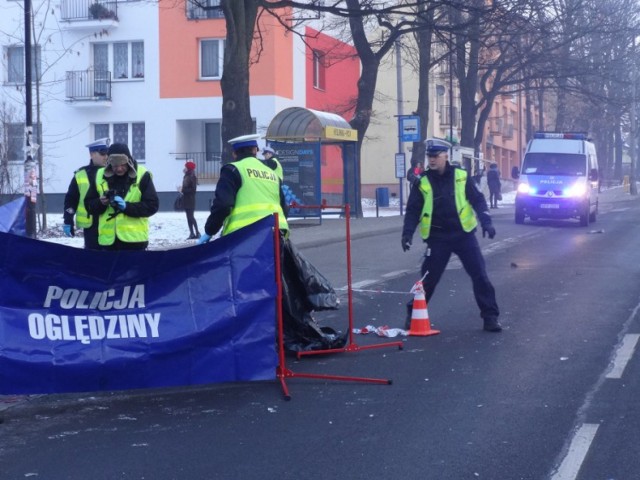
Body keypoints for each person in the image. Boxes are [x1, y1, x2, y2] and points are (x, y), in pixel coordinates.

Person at [401, 138, 502, 332]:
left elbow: (478, 200)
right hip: (438, 238)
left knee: (480, 275)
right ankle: (414, 314)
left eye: (435, 156)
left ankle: (490, 317)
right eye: (429, 156)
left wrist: (486, 222)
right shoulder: (422, 182)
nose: (431, 160)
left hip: (463, 235)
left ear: (445, 157)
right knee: (429, 279)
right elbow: (413, 210)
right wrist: (407, 234)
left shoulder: (461, 176)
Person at [198, 134, 288, 242]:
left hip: (245, 235)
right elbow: (284, 207)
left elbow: (223, 205)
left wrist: (210, 231)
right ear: (255, 151)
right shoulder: (272, 174)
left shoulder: (233, 170)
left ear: (234, 154)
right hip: (276, 233)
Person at [84, 143, 159, 250]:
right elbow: (88, 205)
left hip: (135, 243)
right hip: (108, 243)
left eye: (123, 165)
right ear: (109, 163)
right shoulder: (100, 175)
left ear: (129, 161)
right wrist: (101, 203)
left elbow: (152, 206)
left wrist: (127, 207)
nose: (119, 169)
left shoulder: (142, 175)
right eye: (115, 166)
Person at [62, 138, 110, 249]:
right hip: (91, 225)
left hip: (110, 223)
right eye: (102, 153)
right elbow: (71, 199)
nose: (106, 157)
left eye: (107, 153)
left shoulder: (113, 172)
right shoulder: (81, 174)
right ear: (92, 154)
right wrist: (68, 220)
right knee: (92, 258)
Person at [180, 160, 200, 240]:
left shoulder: (192, 176)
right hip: (186, 199)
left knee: (191, 217)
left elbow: (193, 190)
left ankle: (197, 232)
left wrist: (183, 190)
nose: (184, 168)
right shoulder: (186, 176)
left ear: (188, 168)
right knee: (188, 217)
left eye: (185, 167)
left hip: (190, 199)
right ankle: (191, 233)